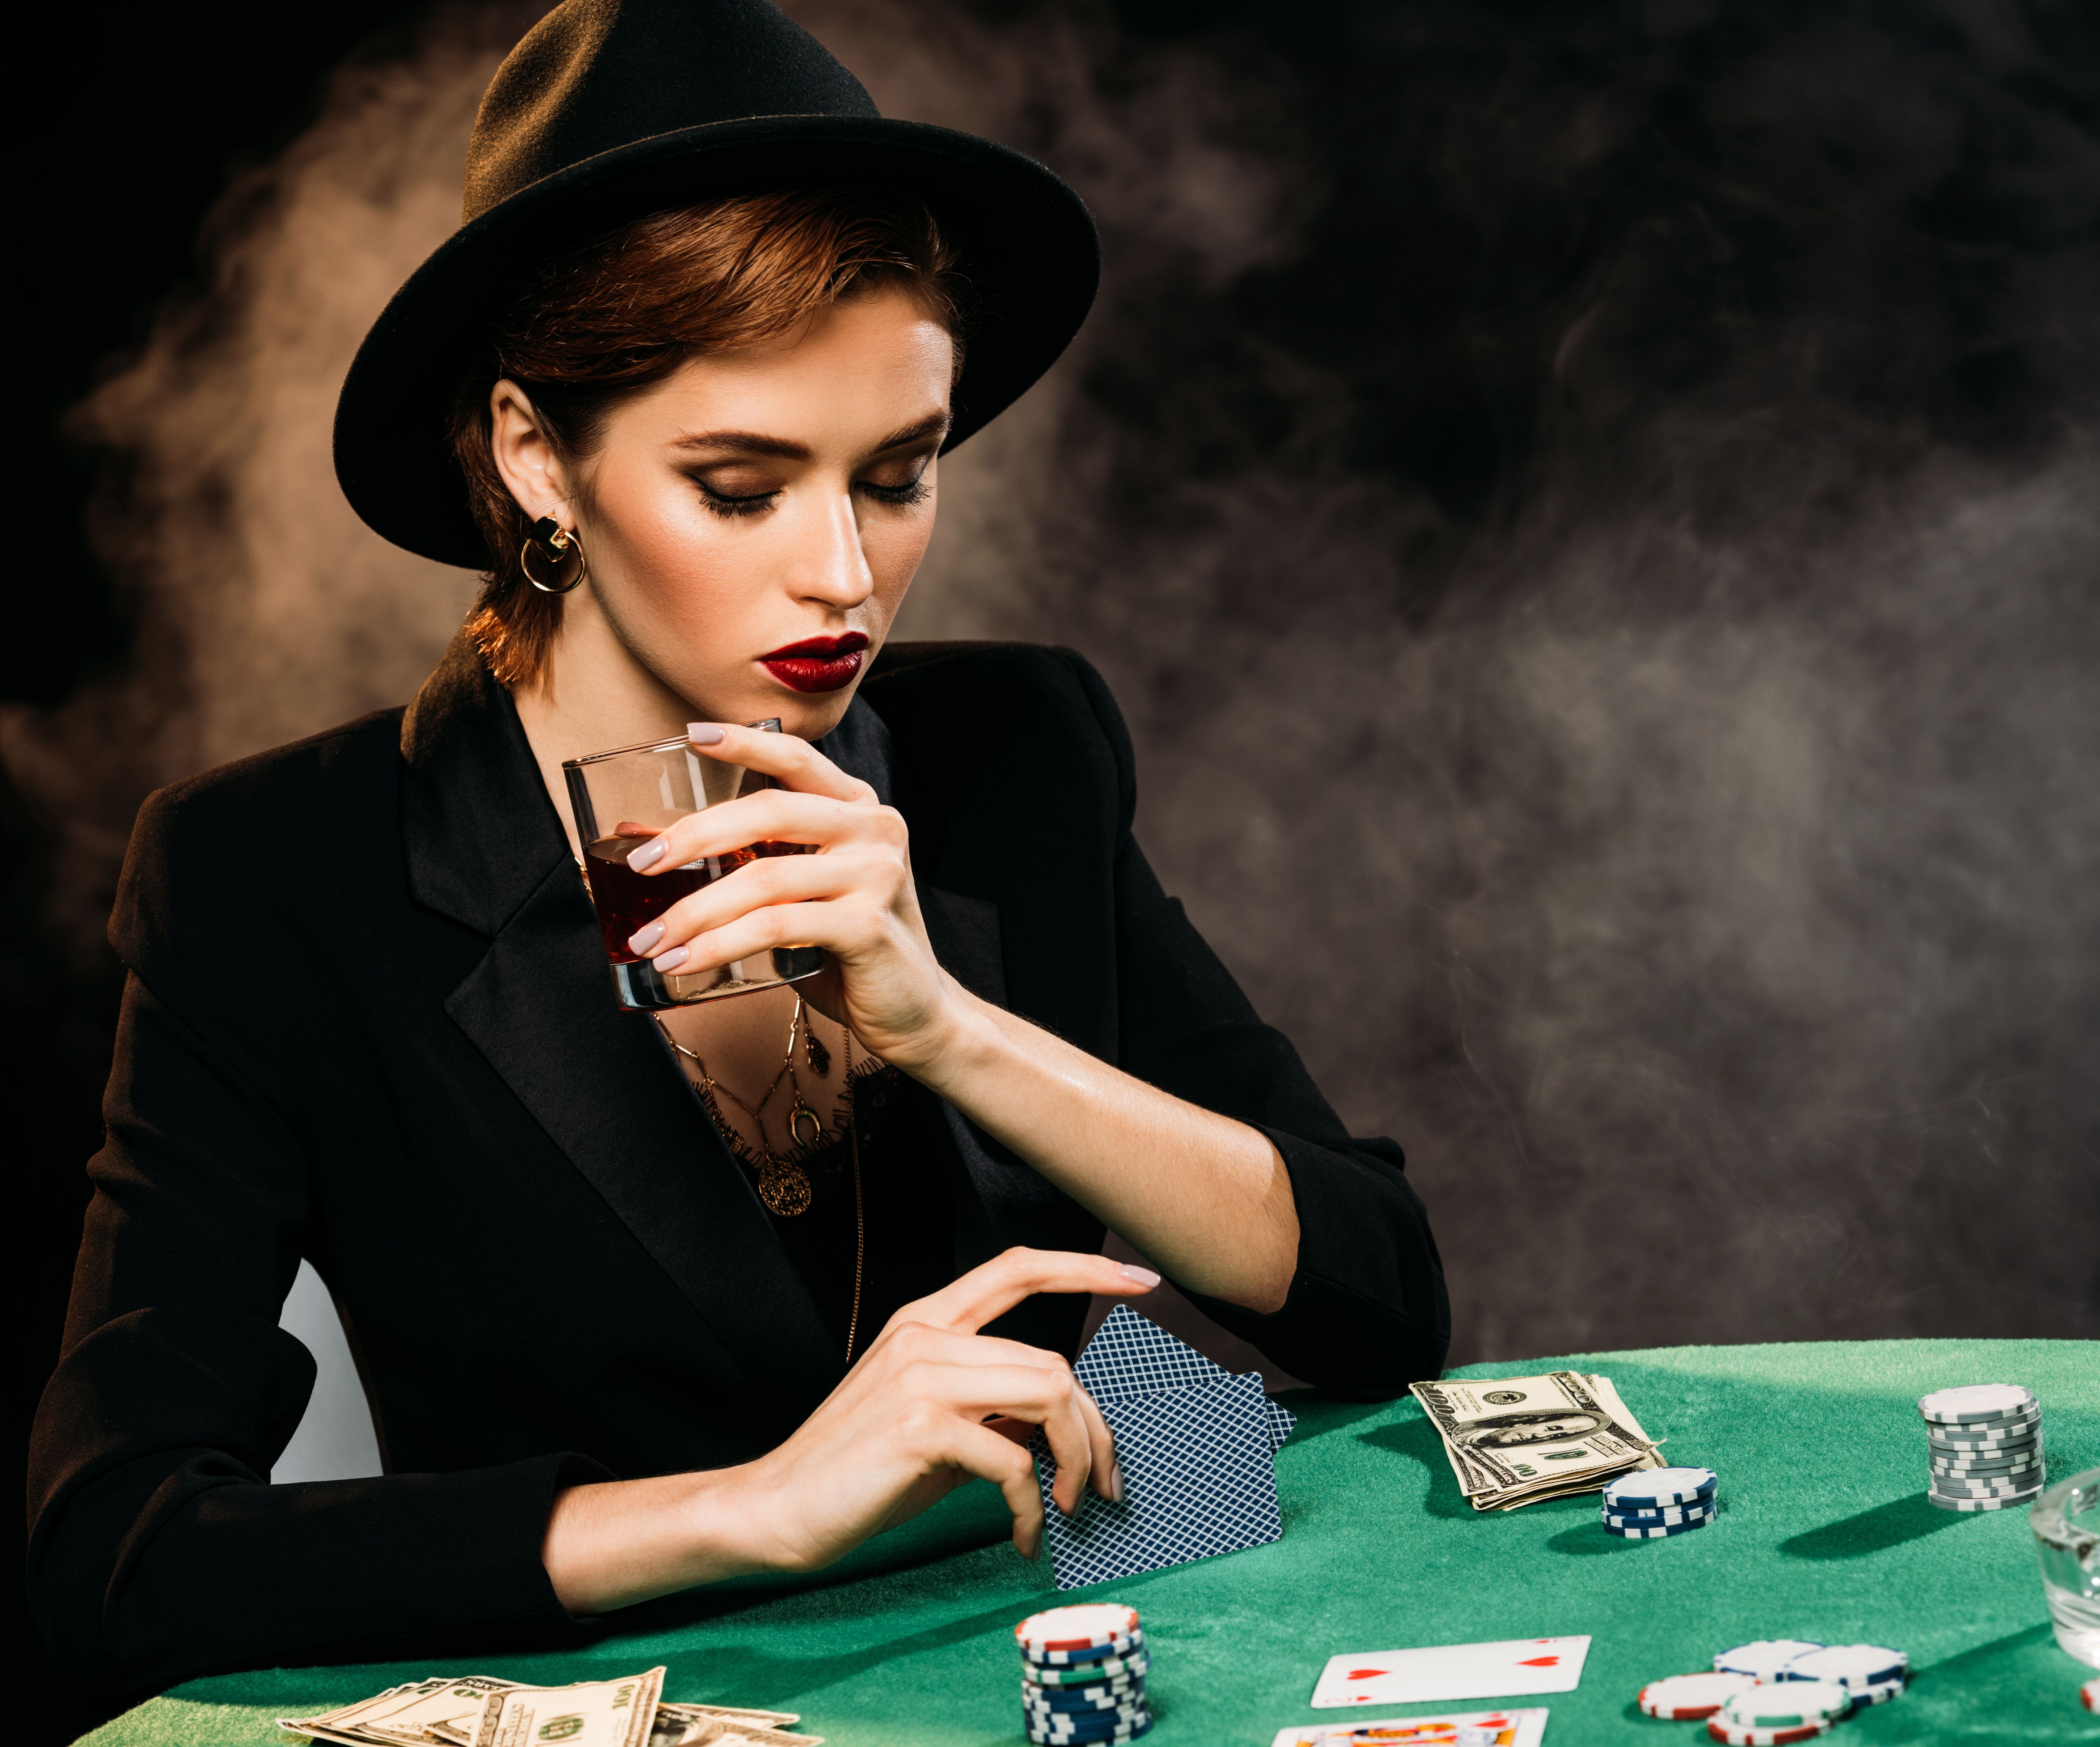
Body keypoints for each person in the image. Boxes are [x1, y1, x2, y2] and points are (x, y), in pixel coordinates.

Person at [27, 0, 1449, 1703]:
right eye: (740, 486)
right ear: (534, 455)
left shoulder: (1015, 751)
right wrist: (751, 1512)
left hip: (1053, 1640)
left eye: (899, 475)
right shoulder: (268, 874)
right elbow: (112, 1555)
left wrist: (952, 1031)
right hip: (636, 1696)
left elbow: (1380, 1300)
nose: (844, 573)